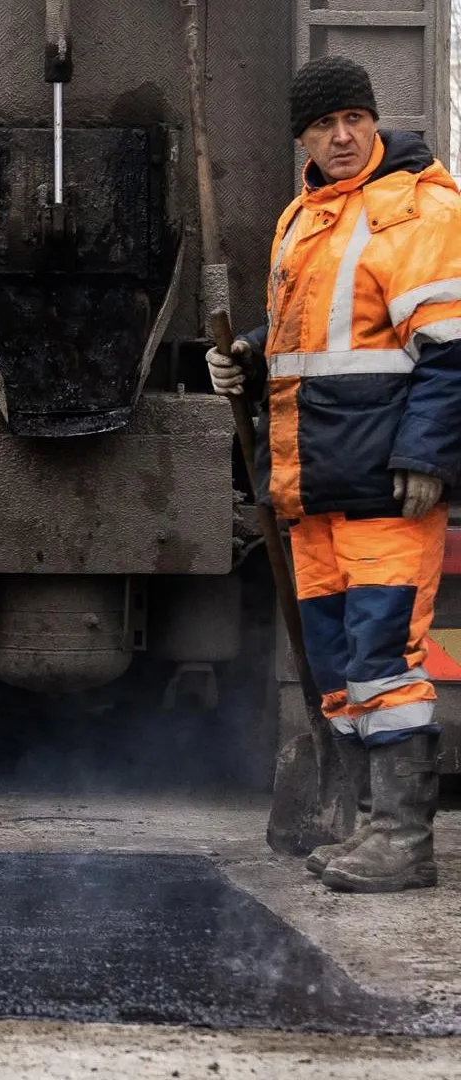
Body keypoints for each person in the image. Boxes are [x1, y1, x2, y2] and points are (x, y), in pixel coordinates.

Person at [209, 55, 461, 893]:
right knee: (339, 669)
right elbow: (318, 336)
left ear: (374, 120)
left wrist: (427, 457)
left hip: (382, 487)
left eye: (354, 117)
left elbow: (450, 353)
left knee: (384, 660)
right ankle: (359, 828)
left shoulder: (417, 210)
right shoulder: (307, 216)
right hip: (311, 487)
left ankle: (402, 841)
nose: (341, 136)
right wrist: (248, 350)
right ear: (304, 140)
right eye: (323, 125)